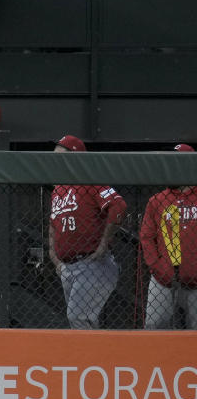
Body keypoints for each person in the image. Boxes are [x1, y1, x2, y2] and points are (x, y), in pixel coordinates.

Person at [48, 134, 127, 330]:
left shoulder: (90, 181)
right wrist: (53, 254)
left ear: (75, 157)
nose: (54, 161)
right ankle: (93, 359)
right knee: (80, 322)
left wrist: (103, 243)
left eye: (60, 156)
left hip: (92, 264)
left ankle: (92, 359)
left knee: (79, 318)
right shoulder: (57, 188)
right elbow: (53, 222)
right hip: (67, 267)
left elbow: (119, 205)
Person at [139, 143, 197, 330]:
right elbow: (147, 237)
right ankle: (154, 360)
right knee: (155, 326)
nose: (169, 168)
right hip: (163, 280)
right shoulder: (157, 200)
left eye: (175, 163)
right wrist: (158, 268)